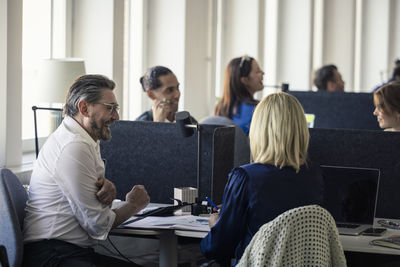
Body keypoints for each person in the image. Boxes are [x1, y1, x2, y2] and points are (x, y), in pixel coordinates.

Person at [23, 74, 150, 266]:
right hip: (53, 255)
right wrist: (134, 205)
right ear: (84, 108)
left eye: (116, 109)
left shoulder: (82, 138)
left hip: (66, 251)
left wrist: (105, 187)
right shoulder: (74, 146)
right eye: (110, 108)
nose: (116, 116)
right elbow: (98, 224)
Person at [200, 92, 324, 265]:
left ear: (259, 130)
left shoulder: (245, 177)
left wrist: (215, 224)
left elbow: (218, 248)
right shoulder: (314, 174)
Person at [214, 55, 265, 135]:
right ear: (245, 80)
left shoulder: (219, 108)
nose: (263, 73)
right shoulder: (257, 109)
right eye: (257, 71)